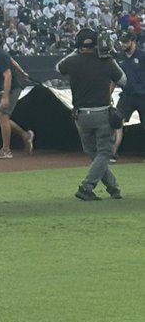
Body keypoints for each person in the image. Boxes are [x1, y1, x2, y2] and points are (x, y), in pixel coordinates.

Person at [57, 27, 125, 200]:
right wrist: (108, 57)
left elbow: (59, 68)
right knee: (104, 153)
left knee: (94, 153)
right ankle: (86, 187)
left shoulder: (72, 61)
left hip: (81, 116)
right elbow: (123, 80)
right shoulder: (106, 61)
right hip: (102, 113)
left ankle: (113, 187)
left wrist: (75, 51)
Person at [0, 30, 34, 159]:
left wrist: (5, 96)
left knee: (4, 117)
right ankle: (25, 135)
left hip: (11, 89)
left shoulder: (0, 55)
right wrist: (22, 71)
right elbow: (12, 61)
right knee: (1, 118)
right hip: (1, 89)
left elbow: (8, 75)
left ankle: (6, 150)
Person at [113, 28, 145, 159]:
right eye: (122, 42)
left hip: (143, 95)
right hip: (127, 95)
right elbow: (114, 78)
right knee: (116, 121)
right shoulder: (119, 58)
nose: (123, 44)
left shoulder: (142, 56)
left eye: (126, 42)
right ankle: (113, 152)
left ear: (133, 41)